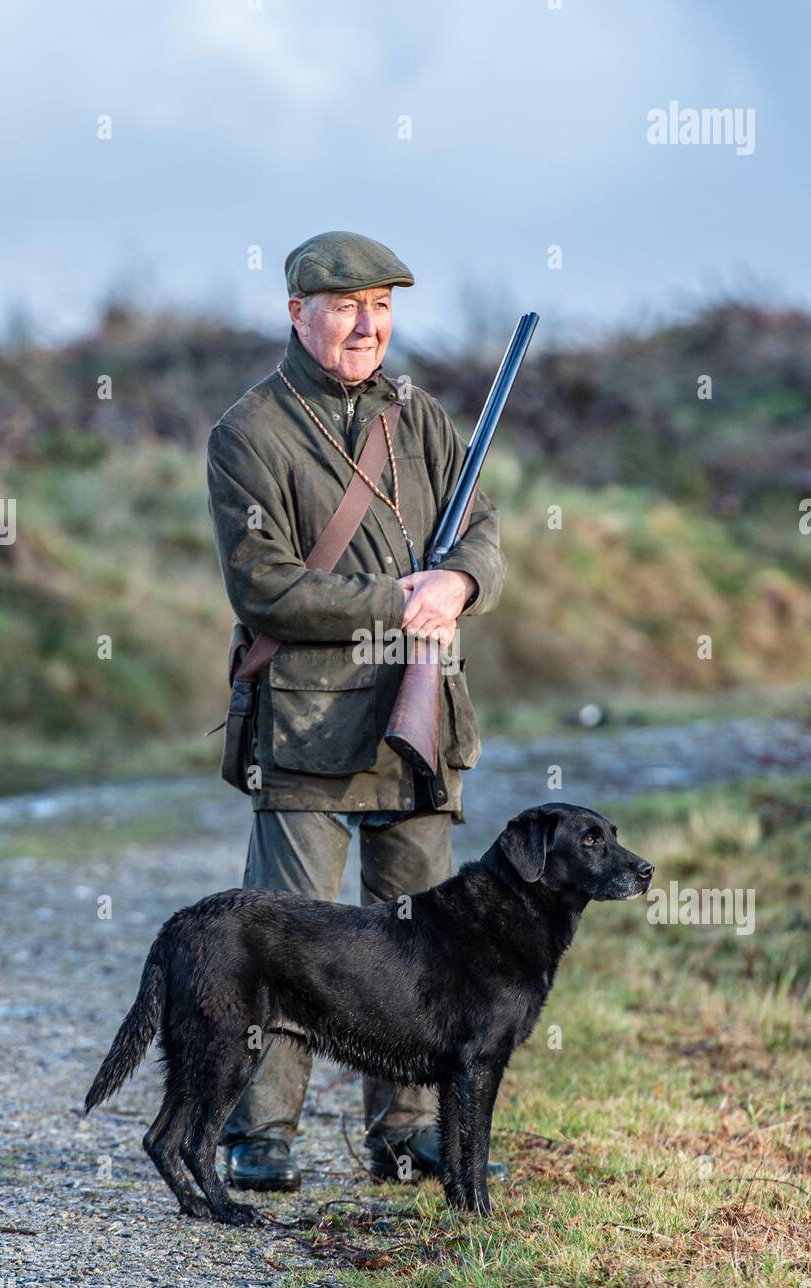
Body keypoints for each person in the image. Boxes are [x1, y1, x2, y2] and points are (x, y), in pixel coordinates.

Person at [205, 230, 508, 1192]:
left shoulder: (420, 418)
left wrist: (458, 583)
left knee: (419, 936)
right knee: (283, 936)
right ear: (297, 313)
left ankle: (410, 1130)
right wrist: (399, 601)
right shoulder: (248, 431)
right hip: (305, 723)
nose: (367, 324)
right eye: (345, 306)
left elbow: (482, 530)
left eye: (381, 306)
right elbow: (266, 587)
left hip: (420, 715)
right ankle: (263, 1134)